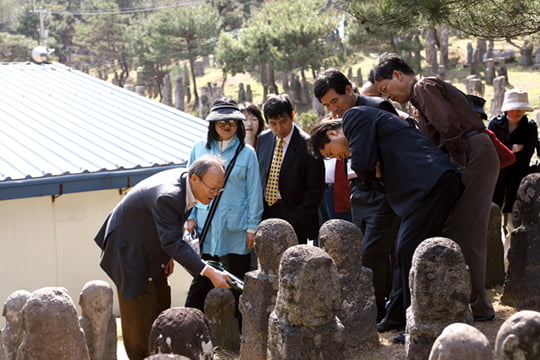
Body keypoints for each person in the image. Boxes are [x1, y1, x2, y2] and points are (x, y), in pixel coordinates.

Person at [309, 110, 461, 342]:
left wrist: (369, 170)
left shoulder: (354, 117)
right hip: (421, 191)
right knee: (404, 250)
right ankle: (400, 315)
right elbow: (369, 172)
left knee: (409, 250)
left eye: (333, 152)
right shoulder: (366, 135)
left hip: (432, 182)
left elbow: (362, 165)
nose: (340, 158)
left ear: (332, 132)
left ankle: (418, 322)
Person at [372, 53, 499, 324]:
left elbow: (448, 127)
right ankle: (473, 302)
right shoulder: (420, 98)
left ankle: (477, 305)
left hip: (470, 154)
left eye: (386, 89)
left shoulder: (423, 87)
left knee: (466, 231)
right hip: (470, 153)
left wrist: (455, 164)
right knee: (461, 230)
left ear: (398, 75)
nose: (389, 95)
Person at [94, 155, 231, 360]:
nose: (215, 194)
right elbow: (172, 242)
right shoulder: (170, 195)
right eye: (212, 189)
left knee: (161, 312)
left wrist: (167, 256)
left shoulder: (188, 185)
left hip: (150, 247)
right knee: (141, 324)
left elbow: (169, 230)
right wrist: (209, 272)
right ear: (194, 179)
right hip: (128, 252)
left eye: (219, 189)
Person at [314, 69, 401, 322]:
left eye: (335, 101)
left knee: (381, 253)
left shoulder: (377, 107)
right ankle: (378, 307)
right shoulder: (342, 122)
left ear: (350, 90)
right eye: (327, 105)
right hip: (361, 196)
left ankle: (386, 310)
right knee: (368, 254)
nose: (333, 109)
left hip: (386, 193)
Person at [184, 98, 263, 319]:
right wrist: (188, 216)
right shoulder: (198, 149)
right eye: (221, 121)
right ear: (212, 124)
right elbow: (188, 184)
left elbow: (254, 192)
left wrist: (252, 226)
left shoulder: (247, 153)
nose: (227, 125)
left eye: (232, 121)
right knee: (202, 276)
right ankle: (191, 320)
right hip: (205, 222)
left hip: (236, 225)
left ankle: (239, 329)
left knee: (238, 277)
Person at [256, 94, 325, 244]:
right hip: (267, 211)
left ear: (292, 116)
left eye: (283, 121)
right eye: (273, 123)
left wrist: (298, 217)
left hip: (294, 214)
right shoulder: (263, 139)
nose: (279, 128)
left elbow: (315, 189)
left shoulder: (307, 144)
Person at [488, 89, 537, 233]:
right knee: (494, 202)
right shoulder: (495, 124)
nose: (519, 113)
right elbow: (490, 147)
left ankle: (511, 231)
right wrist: (512, 148)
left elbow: (529, 149)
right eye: (515, 109)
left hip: (519, 172)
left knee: (514, 205)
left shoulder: (530, 126)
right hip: (498, 172)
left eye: (522, 109)